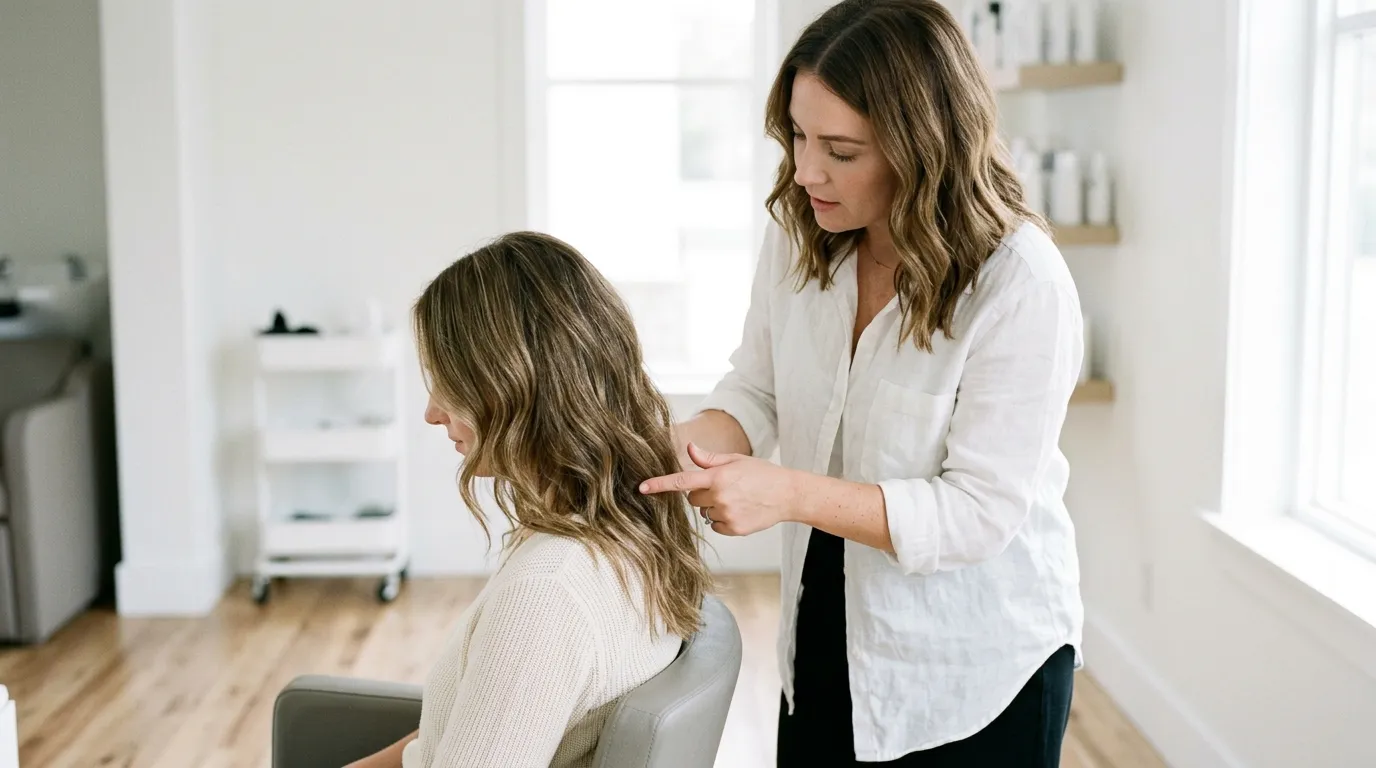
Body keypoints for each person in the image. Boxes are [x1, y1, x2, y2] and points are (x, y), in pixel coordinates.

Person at [639, 1, 1085, 765]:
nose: (807, 171)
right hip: (826, 615)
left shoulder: (1020, 282)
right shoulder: (802, 231)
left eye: (841, 150)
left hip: (974, 666)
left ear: (924, 149)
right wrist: (667, 451)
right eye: (799, 137)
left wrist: (785, 494)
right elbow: (757, 389)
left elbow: (979, 513)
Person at [348, 232, 713, 768]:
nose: (431, 412)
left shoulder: (548, 592)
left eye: (449, 382)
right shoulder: (618, 530)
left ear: (514, 383)